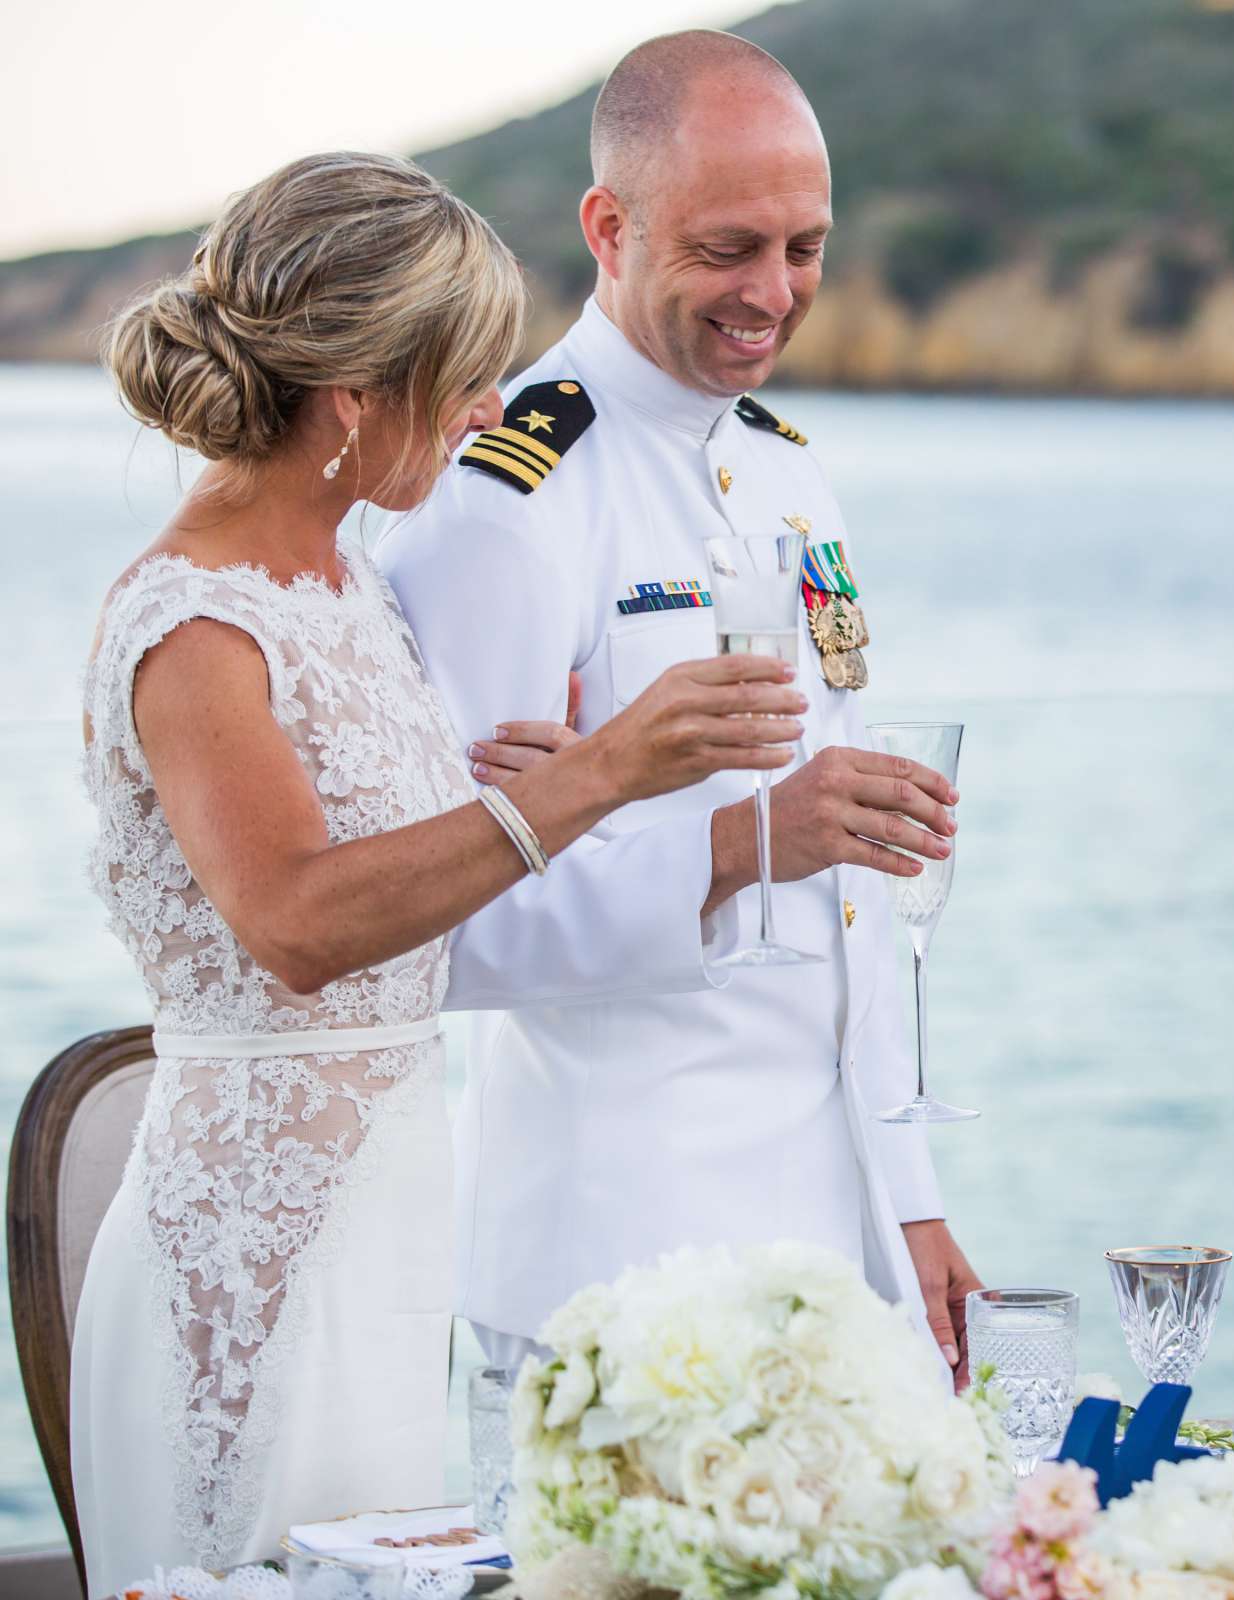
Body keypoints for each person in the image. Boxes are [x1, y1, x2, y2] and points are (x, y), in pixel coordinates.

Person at [71, 152, 805, 1592]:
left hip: (396, 1230)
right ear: (356, 395)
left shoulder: (345, 584)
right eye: (465, 376)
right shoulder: (197, 625)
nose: (487, 412)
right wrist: (604, 775)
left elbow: (398, 857)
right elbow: (292, 922)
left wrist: (548, 782)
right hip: (259, 1263)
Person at [377, 30, 984, 1388]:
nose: (775, 292)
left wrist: (911, 1199)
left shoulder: (785, 477)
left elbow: (849, 902)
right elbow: (437, 937)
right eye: (729, 249)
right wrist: (740, 839)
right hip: (615, 1268)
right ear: (610, 225)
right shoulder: (508, 501)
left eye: (805, 246)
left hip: (830, 1256)